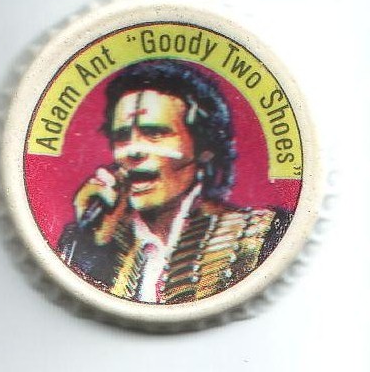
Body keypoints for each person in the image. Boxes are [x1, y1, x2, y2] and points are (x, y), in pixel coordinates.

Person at [58, 60, 291, 304]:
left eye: (154, 133)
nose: (132, 151)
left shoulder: (262, 235)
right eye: (121, 136)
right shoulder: (89, 241)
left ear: (204, 147)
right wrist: (92, 245)